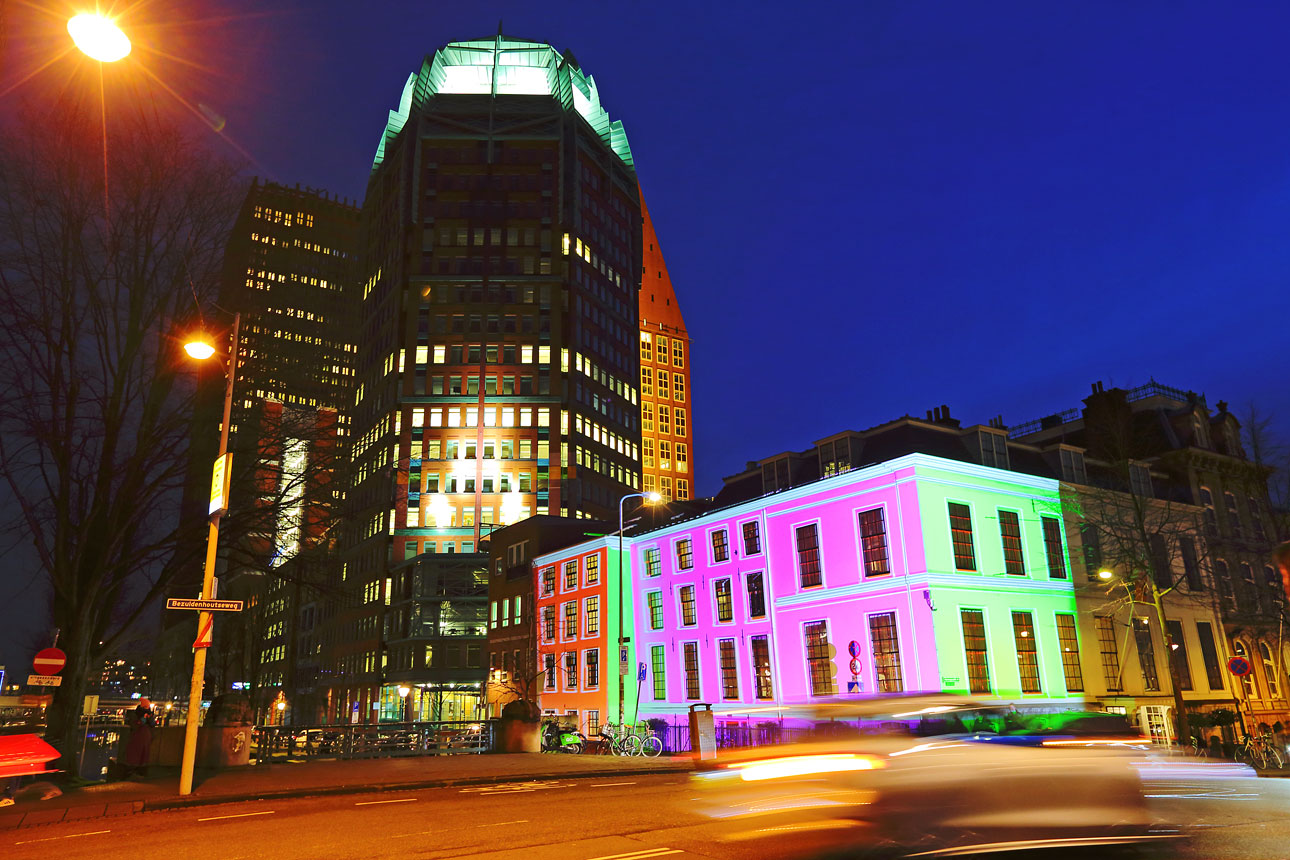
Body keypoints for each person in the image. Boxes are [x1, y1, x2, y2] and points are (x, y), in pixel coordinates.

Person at [123, 699, 155, 779]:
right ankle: (132, 771)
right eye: (145, 706)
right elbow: (135, 725)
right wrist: (143, 720)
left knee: (144, 755)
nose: (147, 708)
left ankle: (139, 771)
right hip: (137, 737)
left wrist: (150, 719)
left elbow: (152, 724)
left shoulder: (149, 714)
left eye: (148, 707)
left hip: (145, 738)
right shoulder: (135, 714)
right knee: (135, 755)